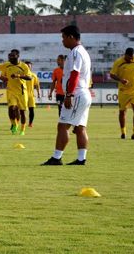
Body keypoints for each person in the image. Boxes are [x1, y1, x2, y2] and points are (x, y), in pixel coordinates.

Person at [42, 25, 92, 166]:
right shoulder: (83, 52)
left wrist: (69, 94)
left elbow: (75, 74)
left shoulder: (76, 52)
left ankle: (57, 158)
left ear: (71, 37)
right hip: (84, 92)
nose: (62, 41)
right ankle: (81, 159)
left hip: (76, 93)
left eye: (63, 37)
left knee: (63, 126)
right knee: (80, 127)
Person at [110, 47, 134, 140]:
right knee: (122, 111)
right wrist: (121, 80)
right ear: (126, 55)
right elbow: (112, 74)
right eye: (129, 57)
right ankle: (123, 132)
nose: (131, 59)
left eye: (133, 57)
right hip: (123, 91)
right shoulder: (118, 62)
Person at [0, 50, 31, 135]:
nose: (10, 58)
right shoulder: (7, 65)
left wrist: (18, 75)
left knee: (22, 112)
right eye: (9, 57)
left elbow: (29, 77)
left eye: (12, 56)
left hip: (22, 92)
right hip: (11, 91)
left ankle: (22, 130)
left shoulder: (24, 66)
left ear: (17, 56)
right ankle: (14, 124)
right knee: (11, 108)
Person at [25, 61, 41, 128]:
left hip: (31, 95)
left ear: (31, 67)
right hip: (23, 95)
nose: (28, 67)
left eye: (29, 66)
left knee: (31, 110)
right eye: (27, 66)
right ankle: (23, 123)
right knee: (22, 110)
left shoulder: (34, 75)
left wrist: (38, 93)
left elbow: (37, 85)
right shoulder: (22, 75)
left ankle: (30, 123)